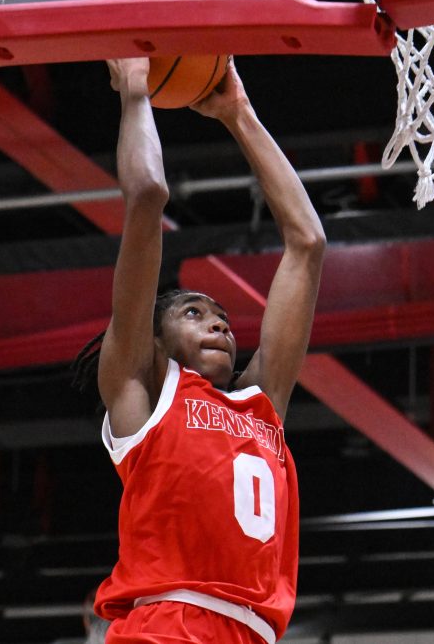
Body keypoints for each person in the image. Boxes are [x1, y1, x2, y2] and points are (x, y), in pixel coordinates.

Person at [71, 56, 326, 644]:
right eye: (194, 313)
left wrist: (239, 113)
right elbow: (147, 196)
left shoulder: (263, 406)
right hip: (167, 626)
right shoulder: (142, 396)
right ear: (155, 341)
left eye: (223, 318)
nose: (219, 326)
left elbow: (307, 243)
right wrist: (136, 89)